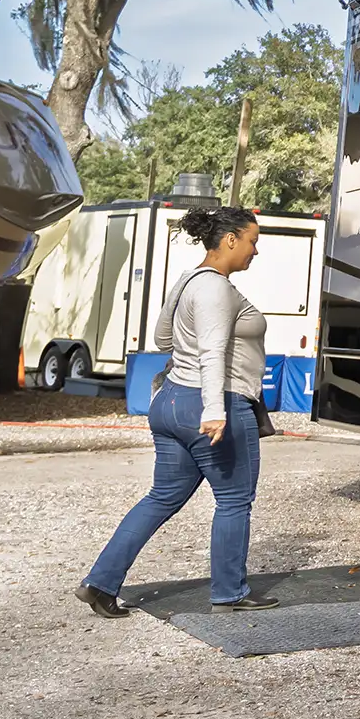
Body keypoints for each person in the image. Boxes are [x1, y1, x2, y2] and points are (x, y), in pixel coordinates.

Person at [76, 206, 275, 617]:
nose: (256, 251)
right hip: (210, 403)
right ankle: (230, 593)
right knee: (235, 499)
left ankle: (100, 582)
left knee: (162, 497)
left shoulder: (188, 280)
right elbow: (212, 352)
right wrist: (216, 410)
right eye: (252, 241)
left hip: (169, 402)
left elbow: (163, 338)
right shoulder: (216, 288)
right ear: (231, 239)